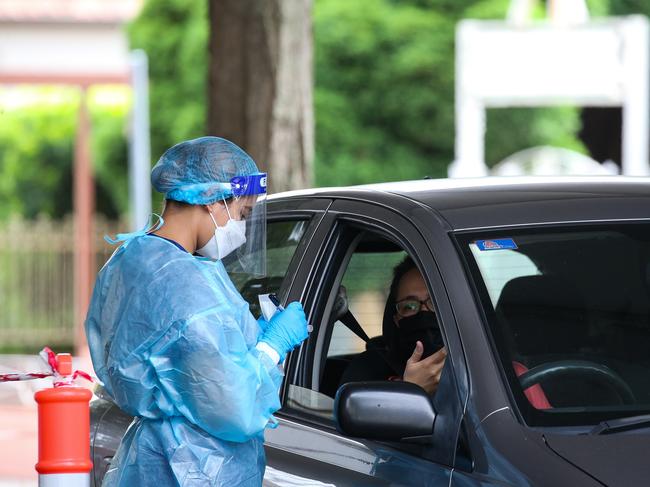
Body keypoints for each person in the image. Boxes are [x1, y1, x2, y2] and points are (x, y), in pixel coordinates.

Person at [85, 136, 309, 486]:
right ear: (213, 201)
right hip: (195, 466)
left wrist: (249, 342)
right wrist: (271, 346)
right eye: (243, 213)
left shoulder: (133, 259)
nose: (243, 227)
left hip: (150, 458)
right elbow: (233, 406)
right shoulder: (187, 285)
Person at [339, 256, 447, 394]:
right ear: (396, 319)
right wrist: (412, 389)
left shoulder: (475, 360)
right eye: (409, 306)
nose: (424, 312)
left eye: (435, 302)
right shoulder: (368, 372)